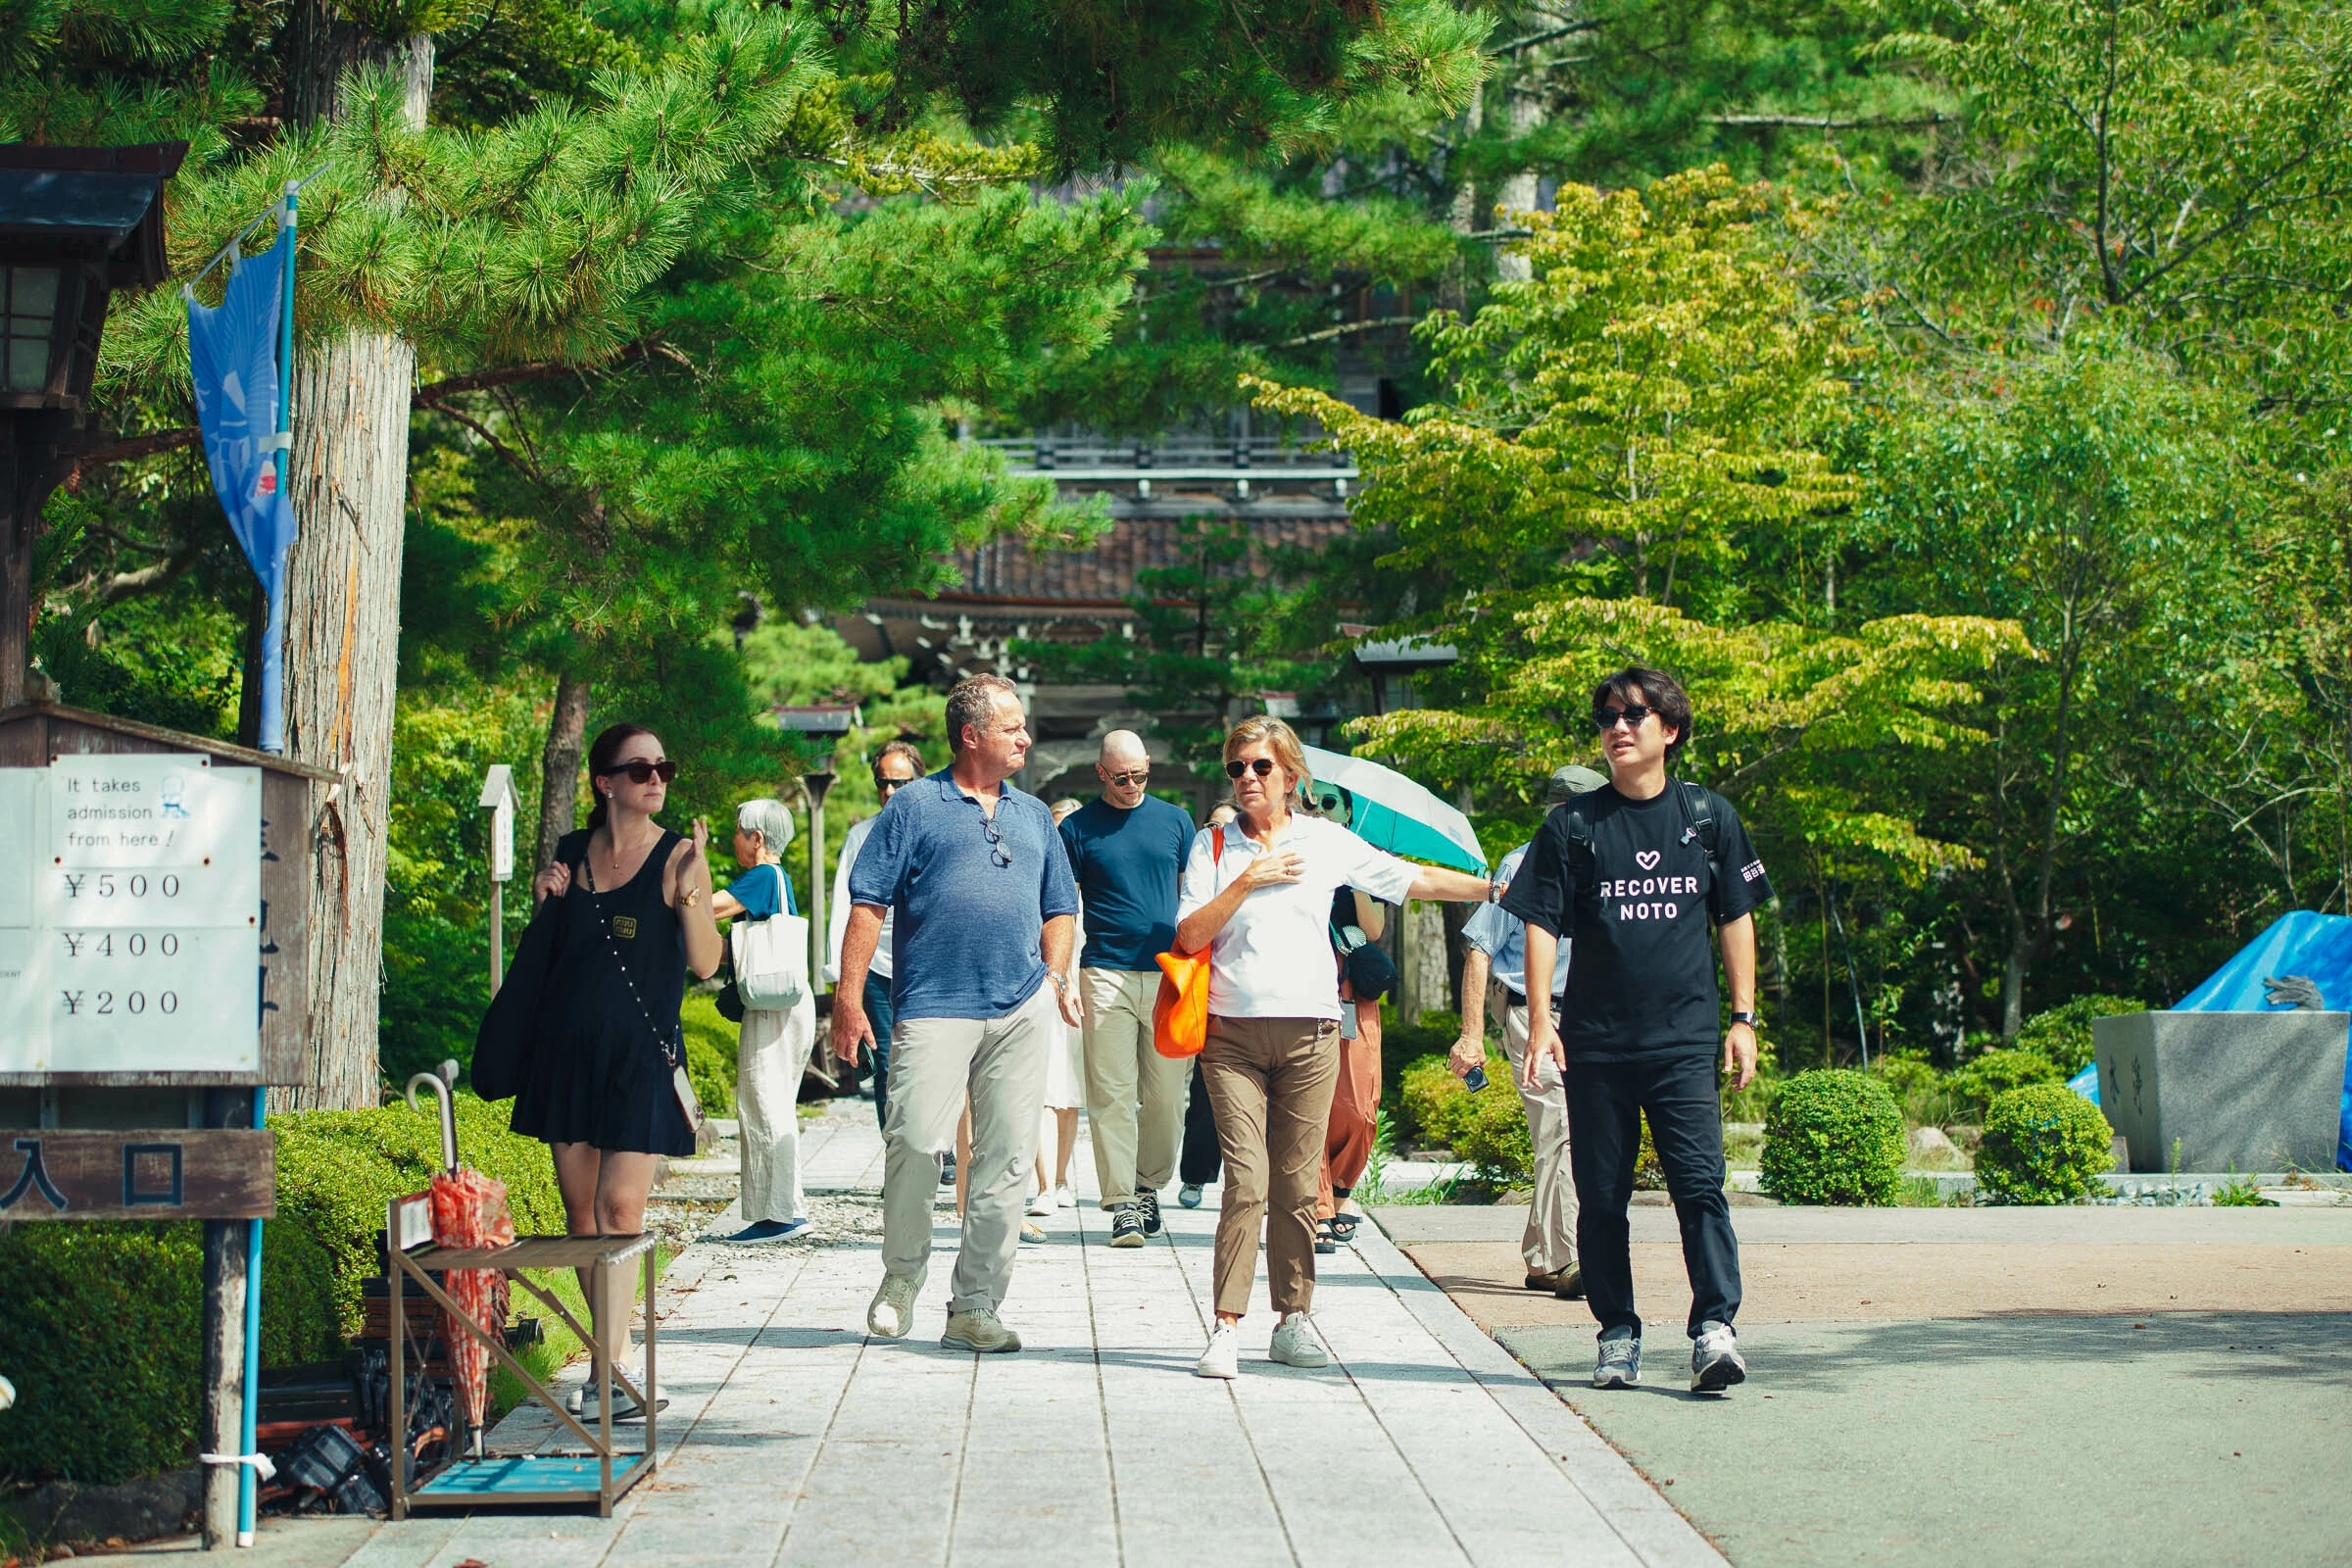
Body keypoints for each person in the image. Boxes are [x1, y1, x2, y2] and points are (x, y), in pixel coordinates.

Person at [1174, 716, 1499, 1379]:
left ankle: (1294, 1319)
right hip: (1230, 1035)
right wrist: (1248, 881)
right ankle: (1226, 1327)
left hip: (1314, 1032)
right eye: (1237, 768)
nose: (1247, 779)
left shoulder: (1326, 841)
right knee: (1246, 1182)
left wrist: (1493, 889)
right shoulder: (1212, 845)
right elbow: (1186, 936)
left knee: (1296, 1187)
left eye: (1261, 767)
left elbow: (1411, 881)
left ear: (1291, 777)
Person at [1503, 667, 1771, 1395]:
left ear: (1670, 730)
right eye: (1607, 717)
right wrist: (1541, 1026)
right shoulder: (1572, 826)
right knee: (1601, 1198)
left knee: (1700, 1190)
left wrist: (1742, 1018)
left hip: (1684, 1041)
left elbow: (1737, 916)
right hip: (1596, 1044)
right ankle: (1616, 1333)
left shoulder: (1708, 816)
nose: (1618, 727)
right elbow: (1539, 922)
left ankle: (1715, 1329)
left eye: (1634, 715)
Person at [830, 674, 1083, 1354]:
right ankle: (901, 1276)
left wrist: (1054, 977)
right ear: (972, 735)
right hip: (934, 1004)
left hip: (1021, 1005)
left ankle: (975, 1305)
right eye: (1013, 727)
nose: (1026, 737)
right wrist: (848, 1000)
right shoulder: (913, 805)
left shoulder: (1032, 816)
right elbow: (868, 904)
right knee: (913, 1140)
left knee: (1004, 1163)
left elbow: (1061, 905)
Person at [511, 723, 723, 1415]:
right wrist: (545, 901)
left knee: (620, 1209)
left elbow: (706, 964)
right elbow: (548, 958)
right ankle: (608, 1365)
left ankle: (614, 1371)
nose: (656, 778)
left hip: (640, 1056)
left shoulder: (680, 857)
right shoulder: (571, 853)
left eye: (664, 766)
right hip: (566, 1052)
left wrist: (692, 890)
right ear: (605, 782)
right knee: (581, 1217)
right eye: (639, 770)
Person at [1453, 763, 1606, 1296]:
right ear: (1563, 812)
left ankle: (1542, 1256)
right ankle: (1572, 1259)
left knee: (1564, 1135)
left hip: (1592, 1015)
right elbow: (1479, 948)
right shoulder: (1520, 866)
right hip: (1528, 1013)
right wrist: (1471, 1035)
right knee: (1561, 1128)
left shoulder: (1606, 864)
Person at [1058, 731, 1195, 1246]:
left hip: (1168, 974)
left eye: (1141, 775)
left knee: (1165, 1098)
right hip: (1104, 971)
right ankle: (1121, 1204)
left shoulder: (1175, 821)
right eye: (1122, 777)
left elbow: (1194, 895)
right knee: (1111, 1094)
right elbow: (1064, 908)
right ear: (1101, 773)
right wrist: (1064, 975)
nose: (1133, 785)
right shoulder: (1076, 829)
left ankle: (1148, 1186)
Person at [711, 798, 817, 1245]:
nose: (733, 839)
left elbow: (710, 909)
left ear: (757, 838)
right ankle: (781, 1209)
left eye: (738, 831)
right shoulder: (779, 877)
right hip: (788, 1000)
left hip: (773, 1004)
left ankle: (781, 1215)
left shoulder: (762, 875)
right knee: (772, 1103)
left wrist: (682, 885)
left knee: (763, 1102)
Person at [829, 740, 926, 1137]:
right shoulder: (860, 836)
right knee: (887, 1063)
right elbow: (842, 909)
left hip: (926, 965)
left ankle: (941, 1147)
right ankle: (898, 1153)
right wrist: (839, 981)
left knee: (933, 1059)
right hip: (877, 965)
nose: (889, 792)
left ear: (918, 782)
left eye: (899, 784)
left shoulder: (934, 830)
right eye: (883, 783)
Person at [1175, 801, 1240, 1209]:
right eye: (1212, 824)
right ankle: (1196, 1174)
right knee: (1205, 1095)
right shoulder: (1203, 858)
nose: (1219, 832)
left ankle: (1250, 1185)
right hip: (1205, 985)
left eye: (1227, 826)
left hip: (1246, 992)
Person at [1029, 796, 1089, 1219]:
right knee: (1043, 1091)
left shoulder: (1094, 891)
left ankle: (1064, 1177)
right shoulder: (1033, 882)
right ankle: (1045, 1185)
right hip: (1042, 991)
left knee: (1070, 1091)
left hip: (1085, 990)